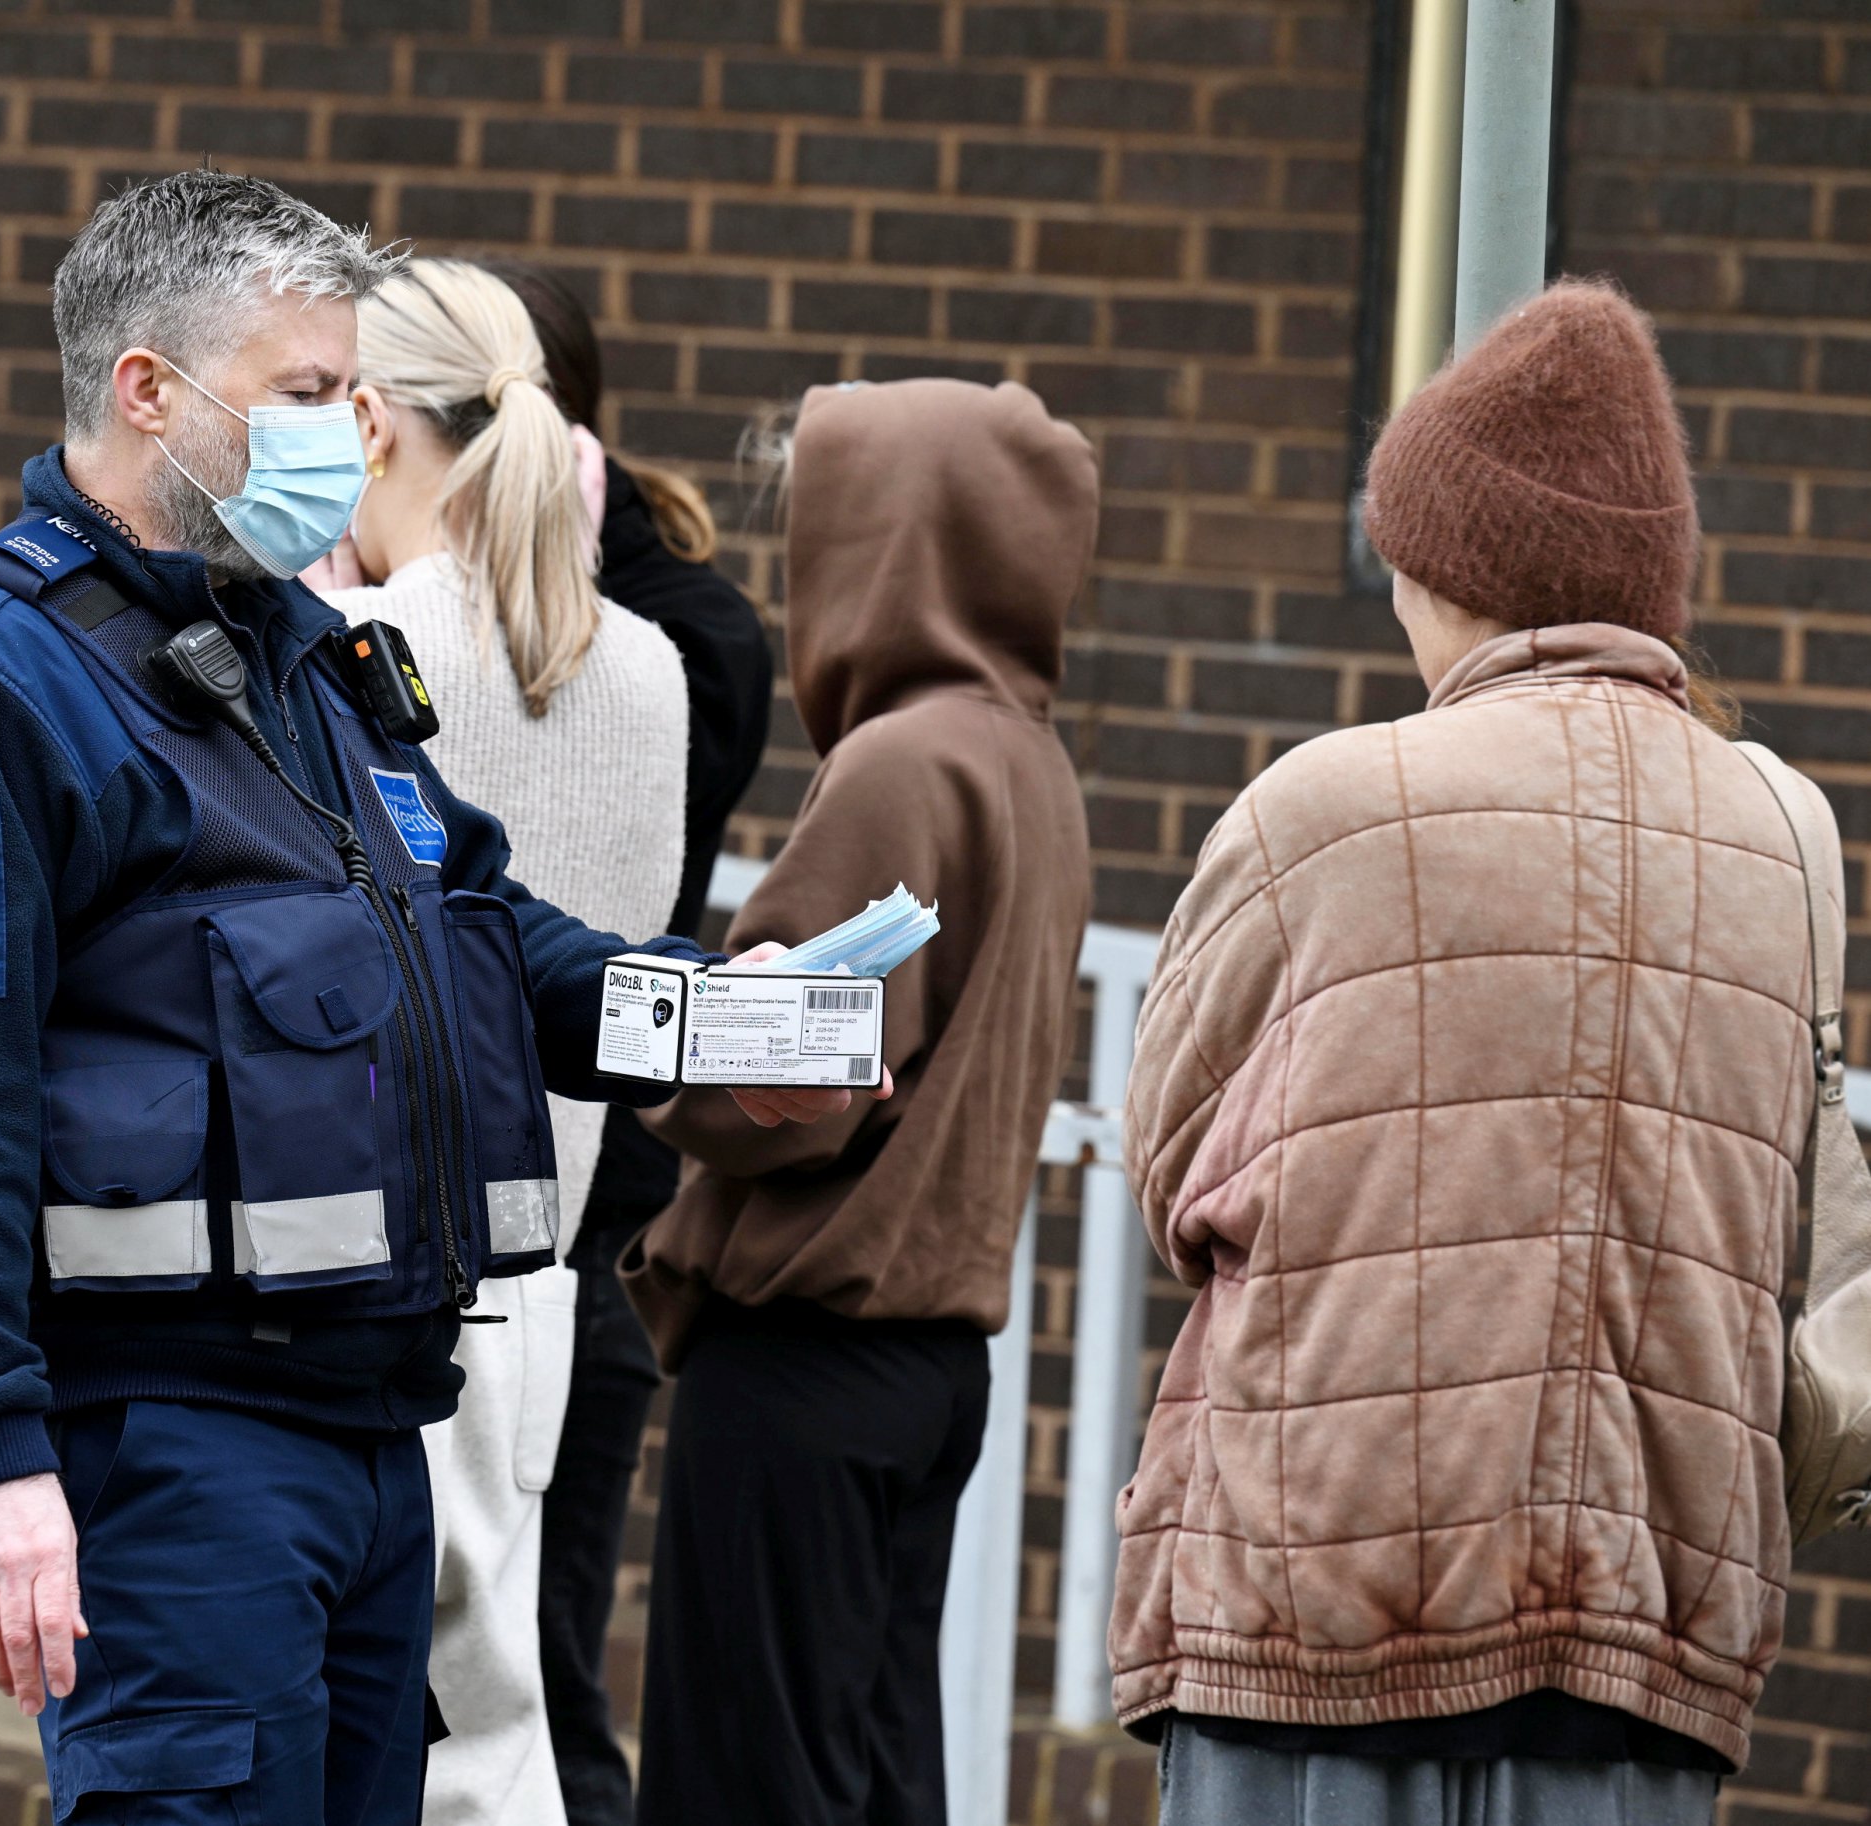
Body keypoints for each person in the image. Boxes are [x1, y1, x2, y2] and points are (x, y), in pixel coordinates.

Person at [0, 169, 843, 1826]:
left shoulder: (300, 653)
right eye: (305, 393)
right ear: (148, 390)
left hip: (372, 1432)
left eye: (356, 396)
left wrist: (714, 1024)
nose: (347, 439)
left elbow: (489, 937)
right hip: (173, 1447)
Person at [1115, 281, 1817, 1824]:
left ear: (1454, 565)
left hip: (1322, 1612)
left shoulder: (1322, 812)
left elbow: (1169, 1166)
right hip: (1646, 1637)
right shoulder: (1780, 837)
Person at [622, 377, 1098, 1826]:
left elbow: (791, 1086)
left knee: (744, 1791)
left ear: (887, 547)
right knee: (876, 1780)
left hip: (803, 1356)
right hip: (928, 1364)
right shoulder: (1029, 761)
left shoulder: (901, 762)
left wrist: (644, 1027)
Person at [316, 256, 689, 1826]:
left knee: (355, 1732)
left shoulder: (342, 650)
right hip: (543, 1282)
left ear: (370, 422)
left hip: (364, 1274)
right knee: (497, 1734)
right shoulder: (652, 670)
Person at [483, 259, 774, 1826]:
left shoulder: (672, 637)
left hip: (579, 1221)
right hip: (460, 1221)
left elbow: (540, 904)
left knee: (534, 1684)